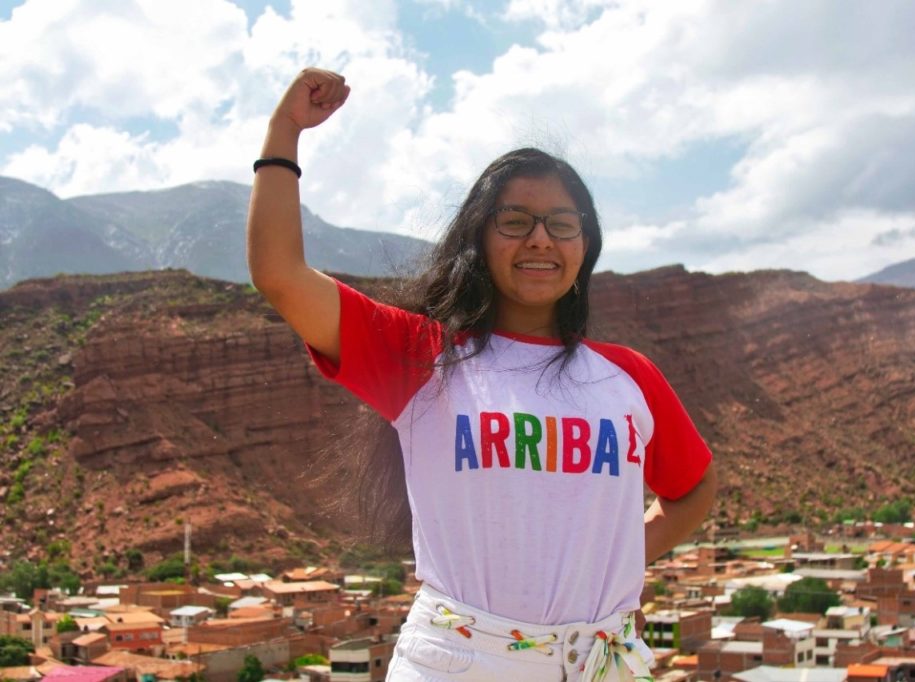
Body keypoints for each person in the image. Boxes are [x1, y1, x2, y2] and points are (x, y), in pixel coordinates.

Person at [247, 67, 717, 682]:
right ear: (480, 238)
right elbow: (280, 275)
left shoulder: (628, 377)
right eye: (515, 221)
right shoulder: (422, 358)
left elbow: (693, 490)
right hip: (462, 663)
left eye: (562, 223)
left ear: (585, 243)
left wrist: (616, 559)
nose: (540, 239)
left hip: (600, 663)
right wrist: (285, 132)